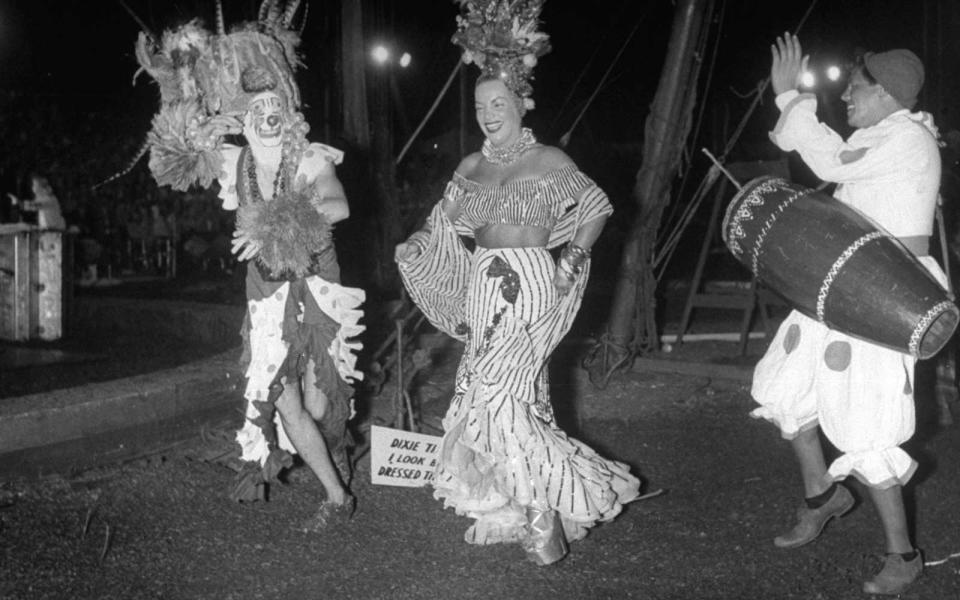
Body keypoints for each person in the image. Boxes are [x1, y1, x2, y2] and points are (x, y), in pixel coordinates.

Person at [395, 0, 640, 566]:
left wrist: (572, 260)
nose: (487, 113)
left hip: (531, 285)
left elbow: (596, 206)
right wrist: (416, 246)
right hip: (485, 288)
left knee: (504, 396)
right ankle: (520, 505)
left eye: (498, 103)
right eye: (480, 105)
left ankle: (542, 516)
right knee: (492, 395)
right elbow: (442, 222)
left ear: (519, 104)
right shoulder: (469, 169)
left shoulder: (548, 159)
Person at [132, 4, 364, 529]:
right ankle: (336, 497)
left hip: (317, 289)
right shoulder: (233, 161)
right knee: (281, 399)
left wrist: (272, 223)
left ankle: (333, 448)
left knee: (320, 403)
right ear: (243, 117)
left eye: (274, 107)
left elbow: (337, 206)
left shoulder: (310, 158)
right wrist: (179, 84)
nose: (265, 118)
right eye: (254, 110)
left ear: (289, 112)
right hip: (264, 292)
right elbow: (178, 153)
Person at [752, 34, 945, 595]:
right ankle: (823, 495)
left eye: (856, 89)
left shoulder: (907, 137)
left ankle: (902, 555)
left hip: (883, 295)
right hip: (837, 287)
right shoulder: (881, 137)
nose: (848, 98)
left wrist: (790, 98)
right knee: (786, 386)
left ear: (884, 93)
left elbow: (831, 156)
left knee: (867, 420)